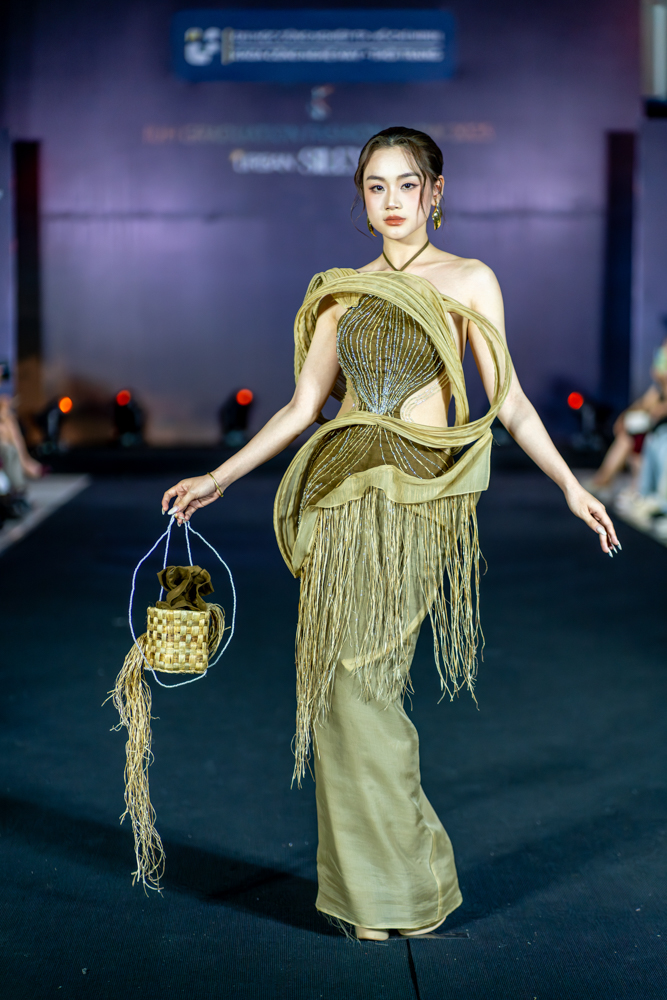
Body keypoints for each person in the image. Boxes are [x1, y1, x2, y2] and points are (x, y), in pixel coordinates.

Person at [161, 127, 619, 941]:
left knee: (366, 683)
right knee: (337, 690)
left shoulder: (468, 279)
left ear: (436, 192)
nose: (392, 201)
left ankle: (405, 885)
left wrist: (569, 484)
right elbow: (301, 409)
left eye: (407, 184)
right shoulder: (340, 292)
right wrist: (218, 477)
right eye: (376, 187)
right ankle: (370, 898)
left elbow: (508, 401)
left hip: (419, 499)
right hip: (340, 495)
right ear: (361, 199)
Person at [590, 337, 667, 496]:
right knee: (627, 437)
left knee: (643, 442)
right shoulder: (657, 390)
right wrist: (624, 418)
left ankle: (640, 491)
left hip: (659, 436)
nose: (661, 359)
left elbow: (657, 411)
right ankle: (603, 480)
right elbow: (642, 405)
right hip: (651, 433)